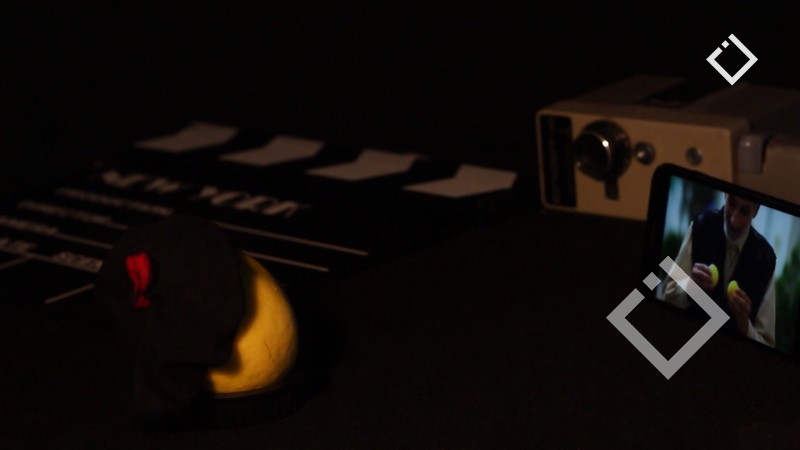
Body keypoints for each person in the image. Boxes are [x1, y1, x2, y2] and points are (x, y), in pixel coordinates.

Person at [664, 194, 776, 347]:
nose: (734, 220)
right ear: (725, 195)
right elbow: (668, 294)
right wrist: (690, 286)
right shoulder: (700, 226)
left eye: (744, 212)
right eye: (732, 204)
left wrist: (745, 325)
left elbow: (767, 345)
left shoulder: (766, 259)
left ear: (755, 212)